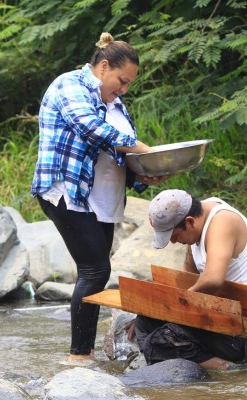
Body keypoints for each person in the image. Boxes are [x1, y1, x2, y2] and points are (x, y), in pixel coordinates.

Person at [31, 32, 167, 363]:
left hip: (102, 200)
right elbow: (92, 128)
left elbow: (115, 153)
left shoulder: (115, 102)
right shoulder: (70, 86)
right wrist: (144, 149)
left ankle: (84, 352)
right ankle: (79, 356)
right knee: (94, 269)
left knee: (95, 271)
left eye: (128, 84)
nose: (124, 89)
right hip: (68, 192)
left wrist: (141, 172)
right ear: (103, 66)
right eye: (121, 80)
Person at [131, 189, 247, 370]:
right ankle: (176, 356)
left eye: (174, 236)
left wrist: (173, 308)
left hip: (245, 333)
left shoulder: (222, 222)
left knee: (162, 339)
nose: (174, 242)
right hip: (219, 316)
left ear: (189, 222)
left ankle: (224, 367)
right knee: (144, 322)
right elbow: (187, 278)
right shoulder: (196, 221)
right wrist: (155, 310)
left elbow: (213, 279)